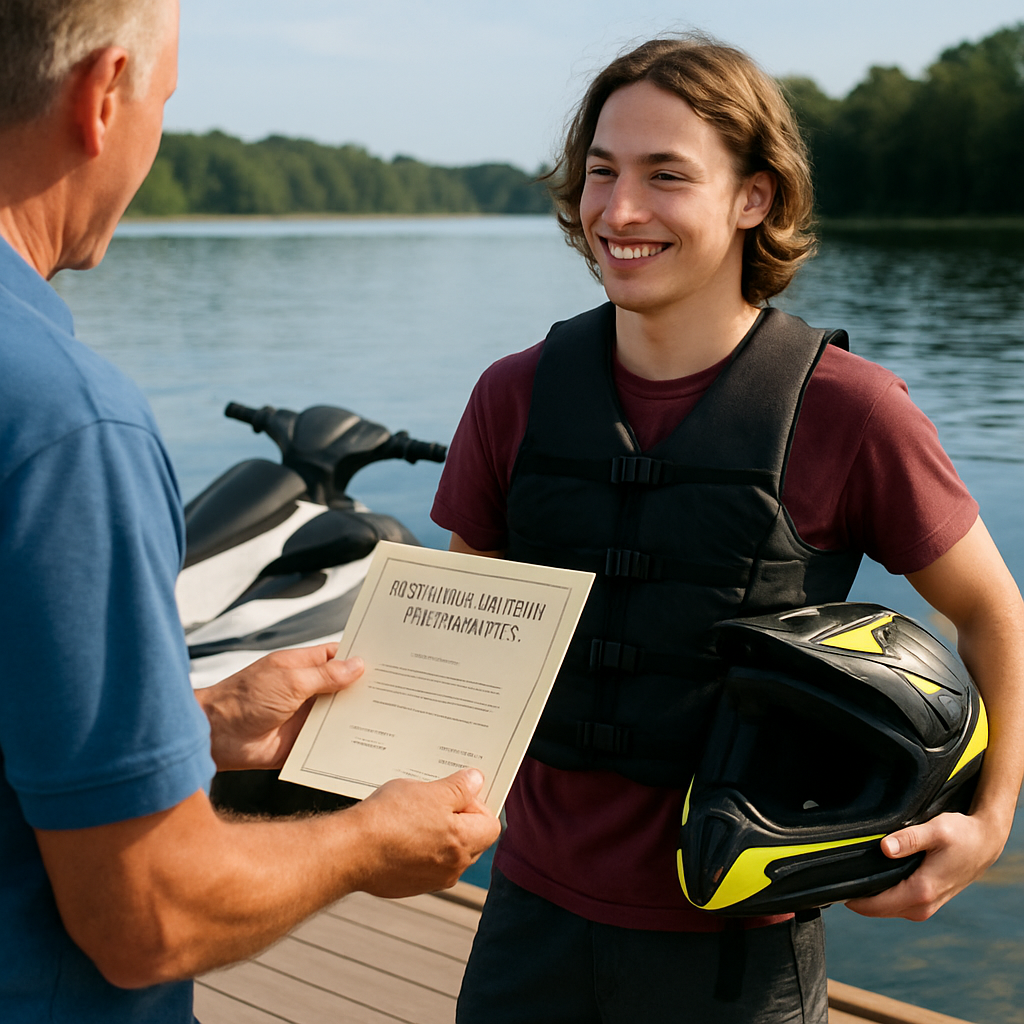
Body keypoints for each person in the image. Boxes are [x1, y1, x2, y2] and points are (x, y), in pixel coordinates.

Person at [431, 34, 1024, 1024]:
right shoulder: (511, 397)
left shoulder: (853, 411)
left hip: (736, 952)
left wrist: (988, 819)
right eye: (601, 173)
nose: (618, 210)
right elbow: (461, 637)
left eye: (666, 176)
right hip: (527, 920)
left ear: (754, 195)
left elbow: (993, 613)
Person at [0, 1, 501, 1021]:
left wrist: (199, 724)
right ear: (103, 95)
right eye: (165, 100)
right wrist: (367, 841)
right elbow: (149, 916)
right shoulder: (65, 422)